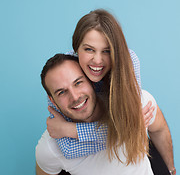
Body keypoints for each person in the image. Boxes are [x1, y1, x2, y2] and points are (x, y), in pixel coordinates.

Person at [46, 9, 175, 174]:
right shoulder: (62, 72)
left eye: (107, 51)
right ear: (76, 48)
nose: (98, 61)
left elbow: (131, 128)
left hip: (133, 156)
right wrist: (123, 133)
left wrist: (70, 130)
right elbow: (69, 149)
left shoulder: (128, 61)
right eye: (89, 49)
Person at [36, 53, 157, 175]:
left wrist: (171, 169)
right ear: (52, 101)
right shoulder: (50, 146)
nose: (75, 97)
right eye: (61, 92)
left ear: (92, 81)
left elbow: (159, 129)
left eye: (78, 83)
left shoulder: (138, 106)